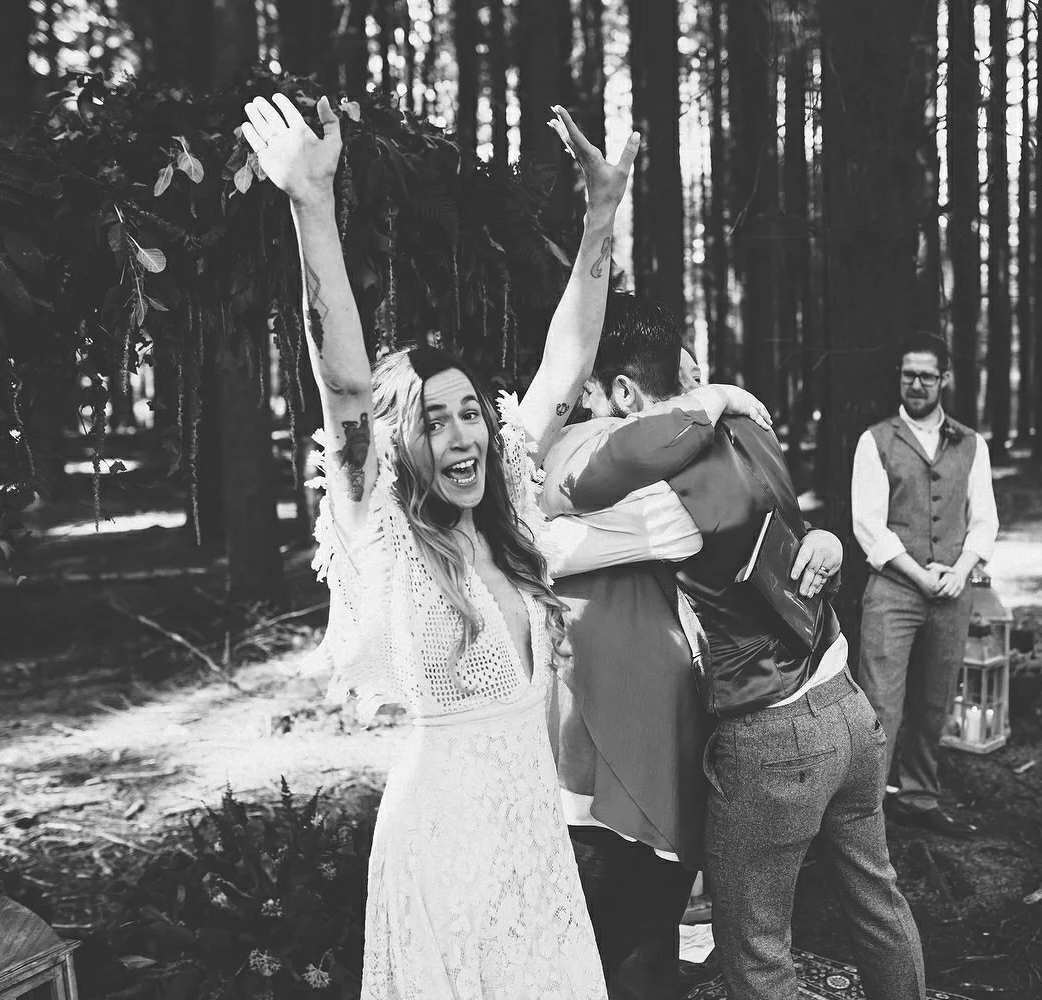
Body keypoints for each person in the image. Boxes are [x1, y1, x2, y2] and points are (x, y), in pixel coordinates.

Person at [240, 93, 636, 996]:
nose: (464, 438)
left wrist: (601, 219)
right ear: (400, 442)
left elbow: (567, 363)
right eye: (437, 421)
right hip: (443, 838)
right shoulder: (384, 528)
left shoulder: (513, 517)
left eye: (471, 415)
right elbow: (343, 379)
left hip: (531, 829)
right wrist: (311, 203)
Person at [544, 299, 925, 1000]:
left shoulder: (662, 497)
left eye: (590, 403)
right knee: (879, 905)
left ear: (623, 393)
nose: (586, 421)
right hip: (848, 705)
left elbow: (553, 533)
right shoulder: (751, 427)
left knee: (755, 953)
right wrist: (720, 396)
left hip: (773, 736)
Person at [535, 302, 773, 1000]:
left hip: (638, 734)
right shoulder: (627, 459)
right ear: (628, 394)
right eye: (682, 388)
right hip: (608, 746)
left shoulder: (583, 454)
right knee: (616, 944)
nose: (689, 412)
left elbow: (547, 543)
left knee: (637, 939)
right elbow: (564, 535)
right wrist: (719, 399)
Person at [851, 334, 998, 838]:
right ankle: (863, 816)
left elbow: (985, 521)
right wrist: (919, 575)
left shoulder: (971, 444)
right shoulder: (875, 440)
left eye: (927, 376)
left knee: (934, 701)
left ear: (945, 379)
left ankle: (918, 796)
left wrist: (961, 572)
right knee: (881, 704)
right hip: (894, 592)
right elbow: (868, 525)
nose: (916, 384)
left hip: (953, 591)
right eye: (908, 374)